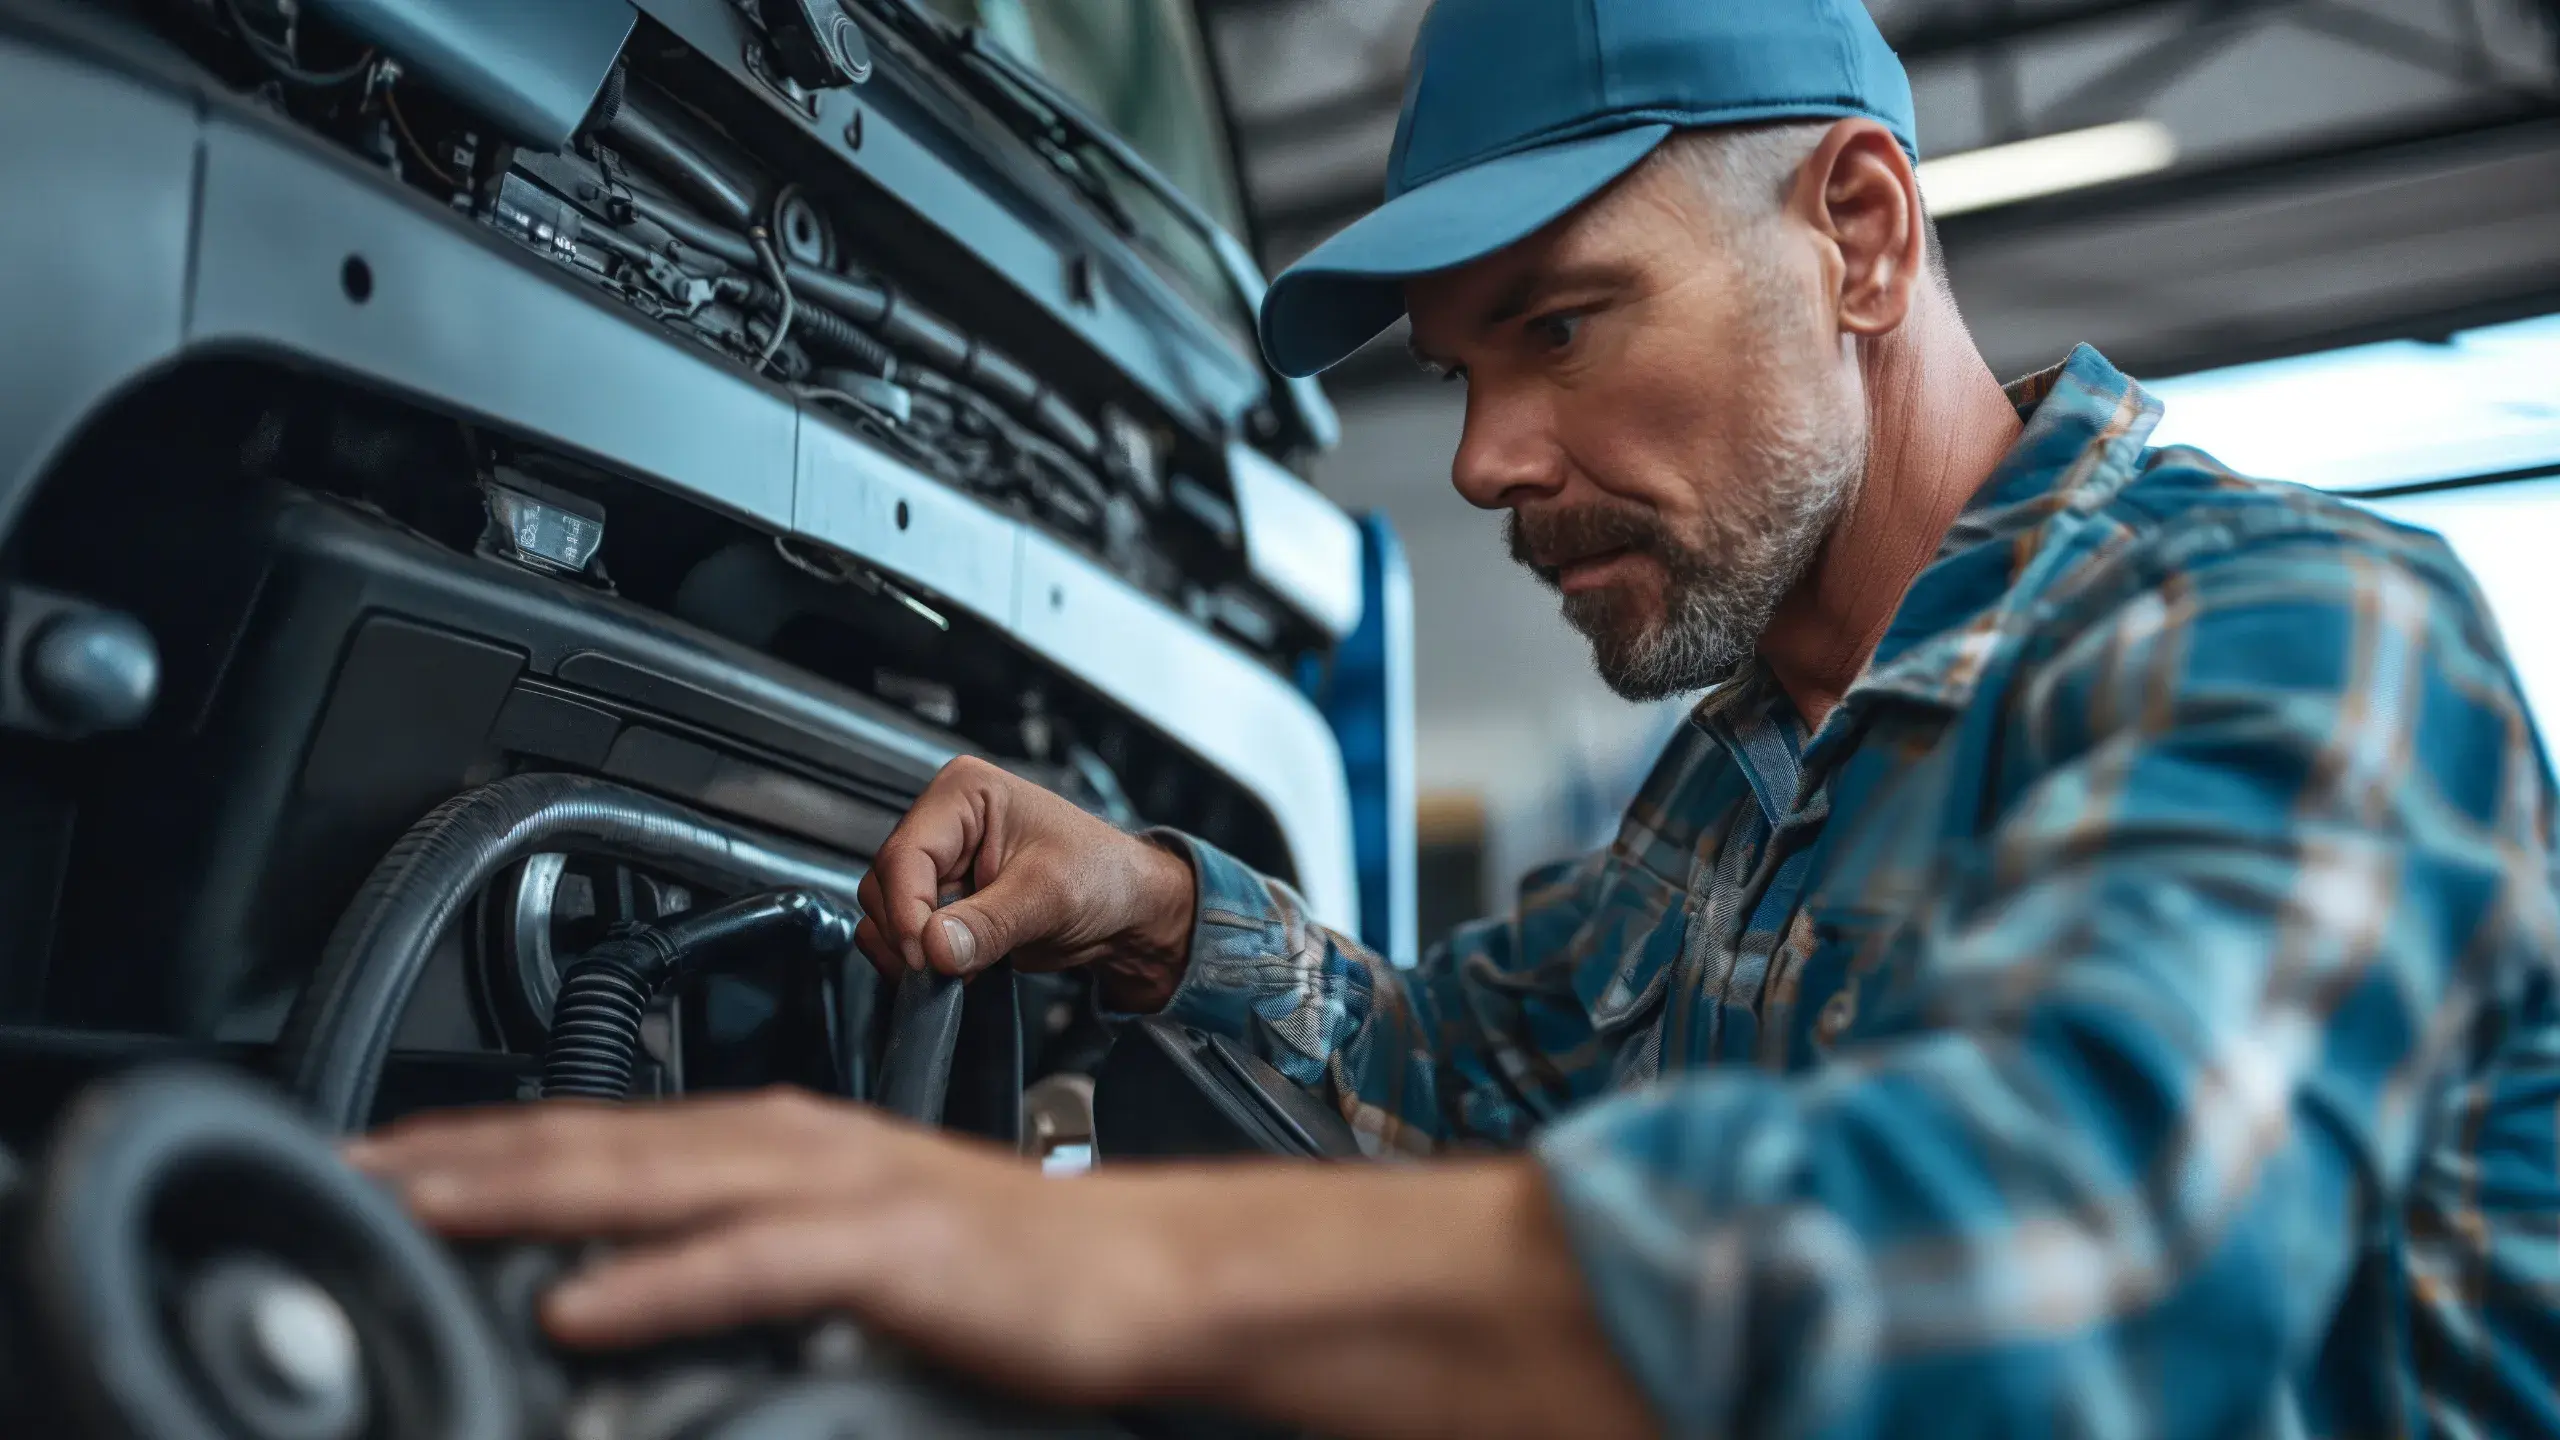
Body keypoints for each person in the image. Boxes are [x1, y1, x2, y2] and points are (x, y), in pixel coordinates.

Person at [349, 0, 2560, 1435]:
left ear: (1861, 235)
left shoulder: (2294, 635)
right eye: (1456, 373)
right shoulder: (1746, 771)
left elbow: (2065, 1272)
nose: (1488, 459)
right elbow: (1466, 1071)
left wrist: (1064, 1258)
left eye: (1562, 326)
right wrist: (1134, 898)